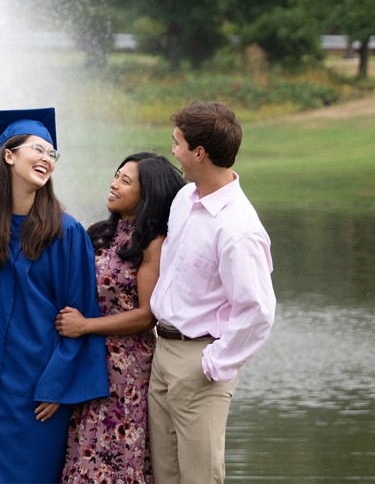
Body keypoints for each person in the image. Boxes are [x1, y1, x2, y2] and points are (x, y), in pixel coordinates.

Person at [0, 108, 109, 483]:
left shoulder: (66, 233)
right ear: (8, 154)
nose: (47, 159)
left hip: (34, 387)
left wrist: (58, 386)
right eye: (38, 149)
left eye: (52, 154)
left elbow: (80, 313)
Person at [149, 101, 277, 484]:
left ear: (199, 153)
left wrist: (214, 364)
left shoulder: (238, 228)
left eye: (178, 143)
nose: (173, 151)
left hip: (200, 362)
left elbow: (257, 311)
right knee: (165, 475)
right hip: (163, 352)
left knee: (201, 477)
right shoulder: (183, 199)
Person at [55, 152, 187, 482]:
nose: (113, 184)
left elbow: (146, 316)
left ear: (148, 194)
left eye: (125, 181)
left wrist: (85, 326)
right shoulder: (98, 233)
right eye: (116, 176)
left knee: (118, 457)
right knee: (85, 451)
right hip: (89, 361)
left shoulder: (154, 243)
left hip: (126, 369)